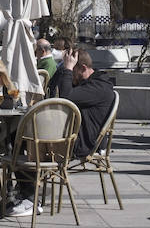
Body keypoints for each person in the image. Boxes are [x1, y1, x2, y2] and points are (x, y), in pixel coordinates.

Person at [8, 47, 115, 218]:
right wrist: (63, 69)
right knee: (16, 135)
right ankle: (25, 191)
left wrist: (67, 69)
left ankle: (30, 199)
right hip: (70, 138)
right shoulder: (87, 84)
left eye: (73, 71)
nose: (71, 76)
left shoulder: (98, 87)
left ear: (83, 68)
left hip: (80, 144)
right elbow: (52, 89)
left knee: (23, 138)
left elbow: (65, 97)